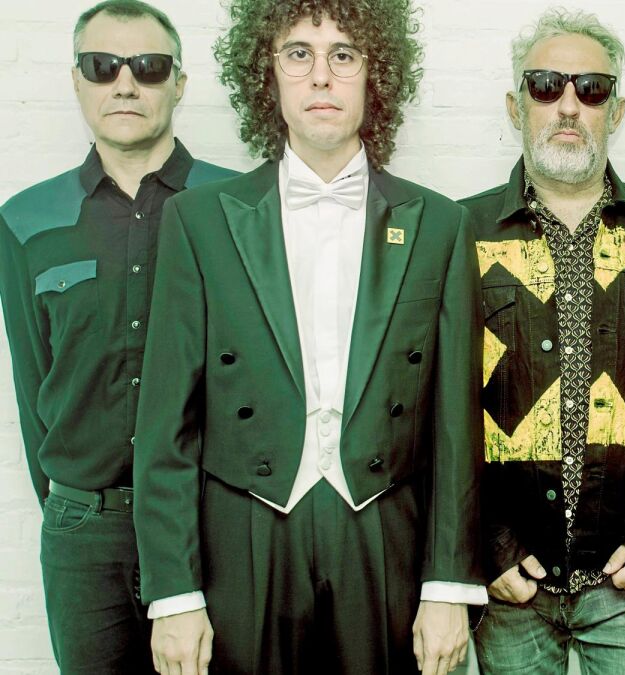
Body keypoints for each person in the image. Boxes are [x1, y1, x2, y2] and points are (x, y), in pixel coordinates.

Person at [131, 1, 485, 673]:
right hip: (242, 528)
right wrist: (173, 592)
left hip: (384, 524)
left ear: (376, 75)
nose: (321, 76)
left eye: (343, 55)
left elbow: (456, 426)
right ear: (267, 75)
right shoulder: (198, 221)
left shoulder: (440, 224)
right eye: (299, 54)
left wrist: (447, 584)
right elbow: (166, 423)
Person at [0, 2, 233, 672]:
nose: (125, 84)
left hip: (213, 523)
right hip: (84, 537)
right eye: (102, 66)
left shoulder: (239, 206)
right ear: (77, 80)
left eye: (149, 67)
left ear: (179, 83)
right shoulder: (26, 222)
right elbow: (33, 385)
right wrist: (75, 506)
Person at [459, 8, 625, 674]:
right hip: (510, 585)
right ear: (515, 105)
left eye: (591, 89)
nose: (567, 105)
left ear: (616, 111)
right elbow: (435, 406)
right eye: (545, 85)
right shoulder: (459, 233)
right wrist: (488, 546)